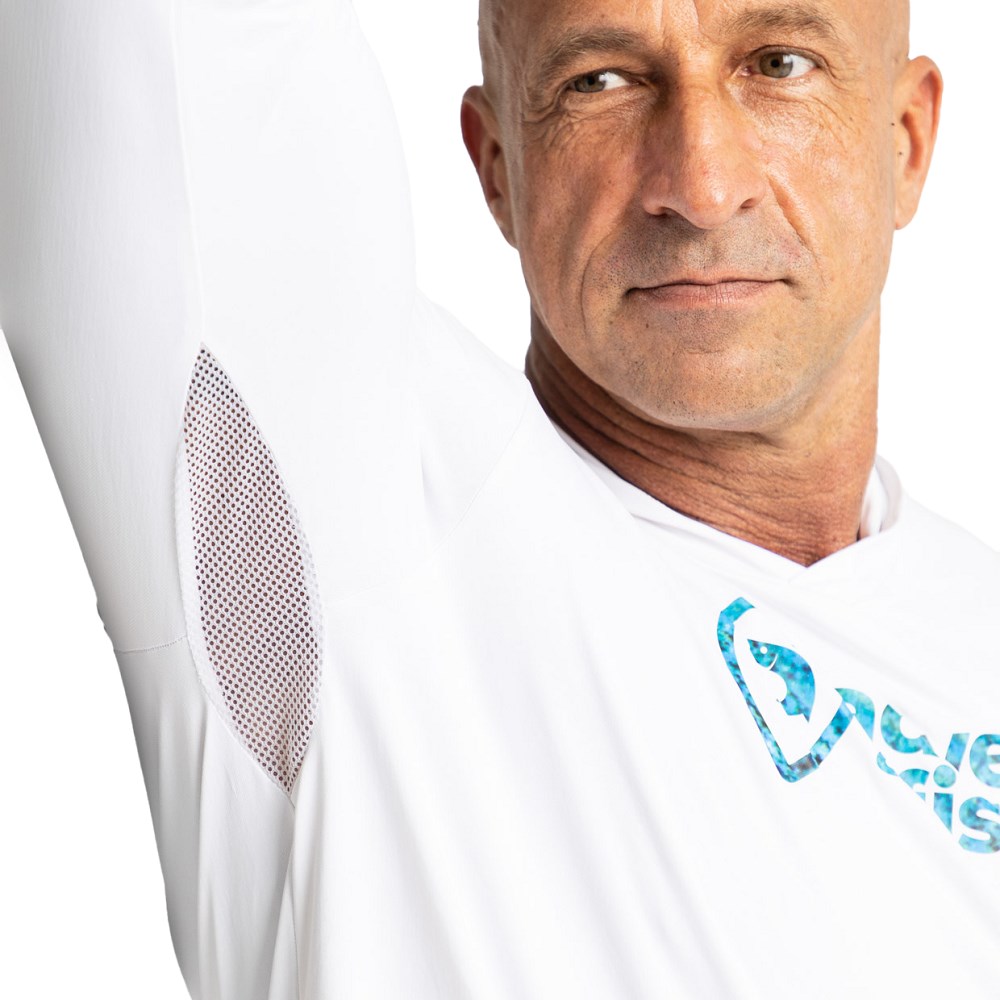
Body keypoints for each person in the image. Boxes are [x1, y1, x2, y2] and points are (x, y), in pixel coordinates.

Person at [0, 2, 996, 999]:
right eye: (598, 82)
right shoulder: (366, 537)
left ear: (906, 142)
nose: (701, 185)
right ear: (497, 169)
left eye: (779, 65)